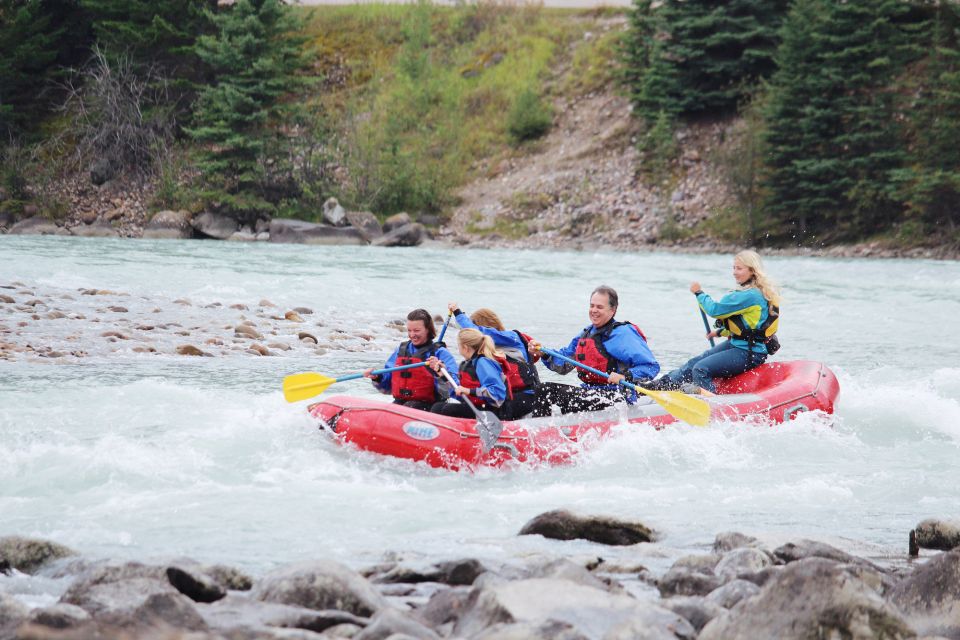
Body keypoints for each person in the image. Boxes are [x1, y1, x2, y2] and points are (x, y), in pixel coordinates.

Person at [653, 250, 780, 394]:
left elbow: (715, 310)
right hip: (740, 345)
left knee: (700, 369)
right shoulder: (758, 291)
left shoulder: (749, 295)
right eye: (733, 268)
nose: (734, 272)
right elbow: (750, 325)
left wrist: (699, 293)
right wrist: (720, 332)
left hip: (750, 352)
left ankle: (712, 403)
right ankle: (662, 385)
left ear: (752, 271)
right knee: (693, 364)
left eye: (739, 268)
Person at [529, 285, 659, 416]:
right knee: (543, 389)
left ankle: (538, 432)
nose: (594, 310)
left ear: (613, 310)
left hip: (616, 396)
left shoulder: (623, 334)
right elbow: (564, 365)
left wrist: (625, 376)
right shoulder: (586, 333)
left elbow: (651, 367)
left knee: (545, 390)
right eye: (592, 306)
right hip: (590, 393)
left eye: (599, 307)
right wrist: (543, 353)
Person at [447, 302, 541, 419]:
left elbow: (476, 331)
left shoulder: (511, 338)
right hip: (509, 395)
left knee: (493, 409)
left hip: (528, 396)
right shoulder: (487, 355)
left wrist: (457, 312)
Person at [364, 308, 459, 411]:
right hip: (402, 403)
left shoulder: (440, 353)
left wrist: (440, 373)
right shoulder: (401, 351)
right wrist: (377, 377)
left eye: (417, 330)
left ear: (428, 329)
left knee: (409, 407)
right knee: (388, 411)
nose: (412, 335)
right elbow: (387, 388)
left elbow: (452, 390)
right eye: (409, 330)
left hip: (430, 407)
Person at [427, 329, 508, 418]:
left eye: (458, 345)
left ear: (465, 348)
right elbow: (457, 393)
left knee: (448, 409)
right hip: (475, 407)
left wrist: (469, 391)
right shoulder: (466, 363)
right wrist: (444, 375)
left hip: (490, 411)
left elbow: (497, 393)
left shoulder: (483, 363)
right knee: (437, 407)